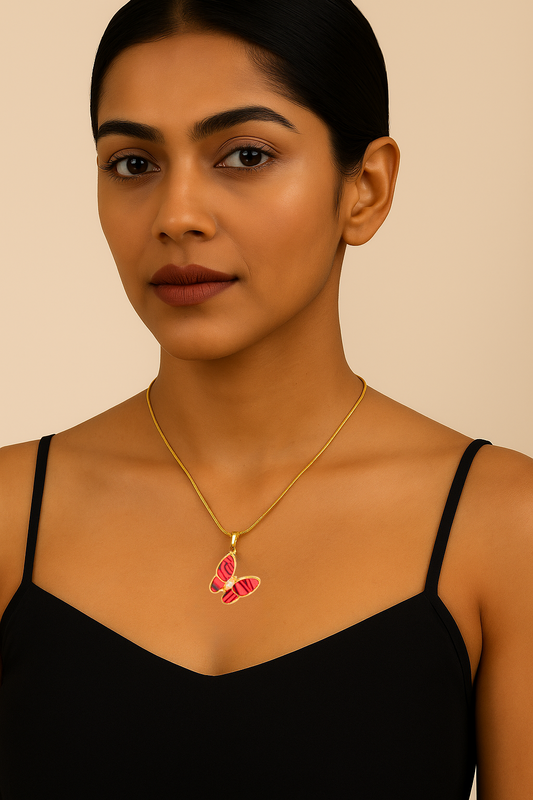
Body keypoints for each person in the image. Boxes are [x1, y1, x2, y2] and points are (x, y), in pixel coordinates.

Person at [0, 0, 531, 796]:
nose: (177, 216)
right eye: (133, 164)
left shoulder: (503, 526)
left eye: (245, 155)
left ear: (365, 190)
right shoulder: (9, 514)